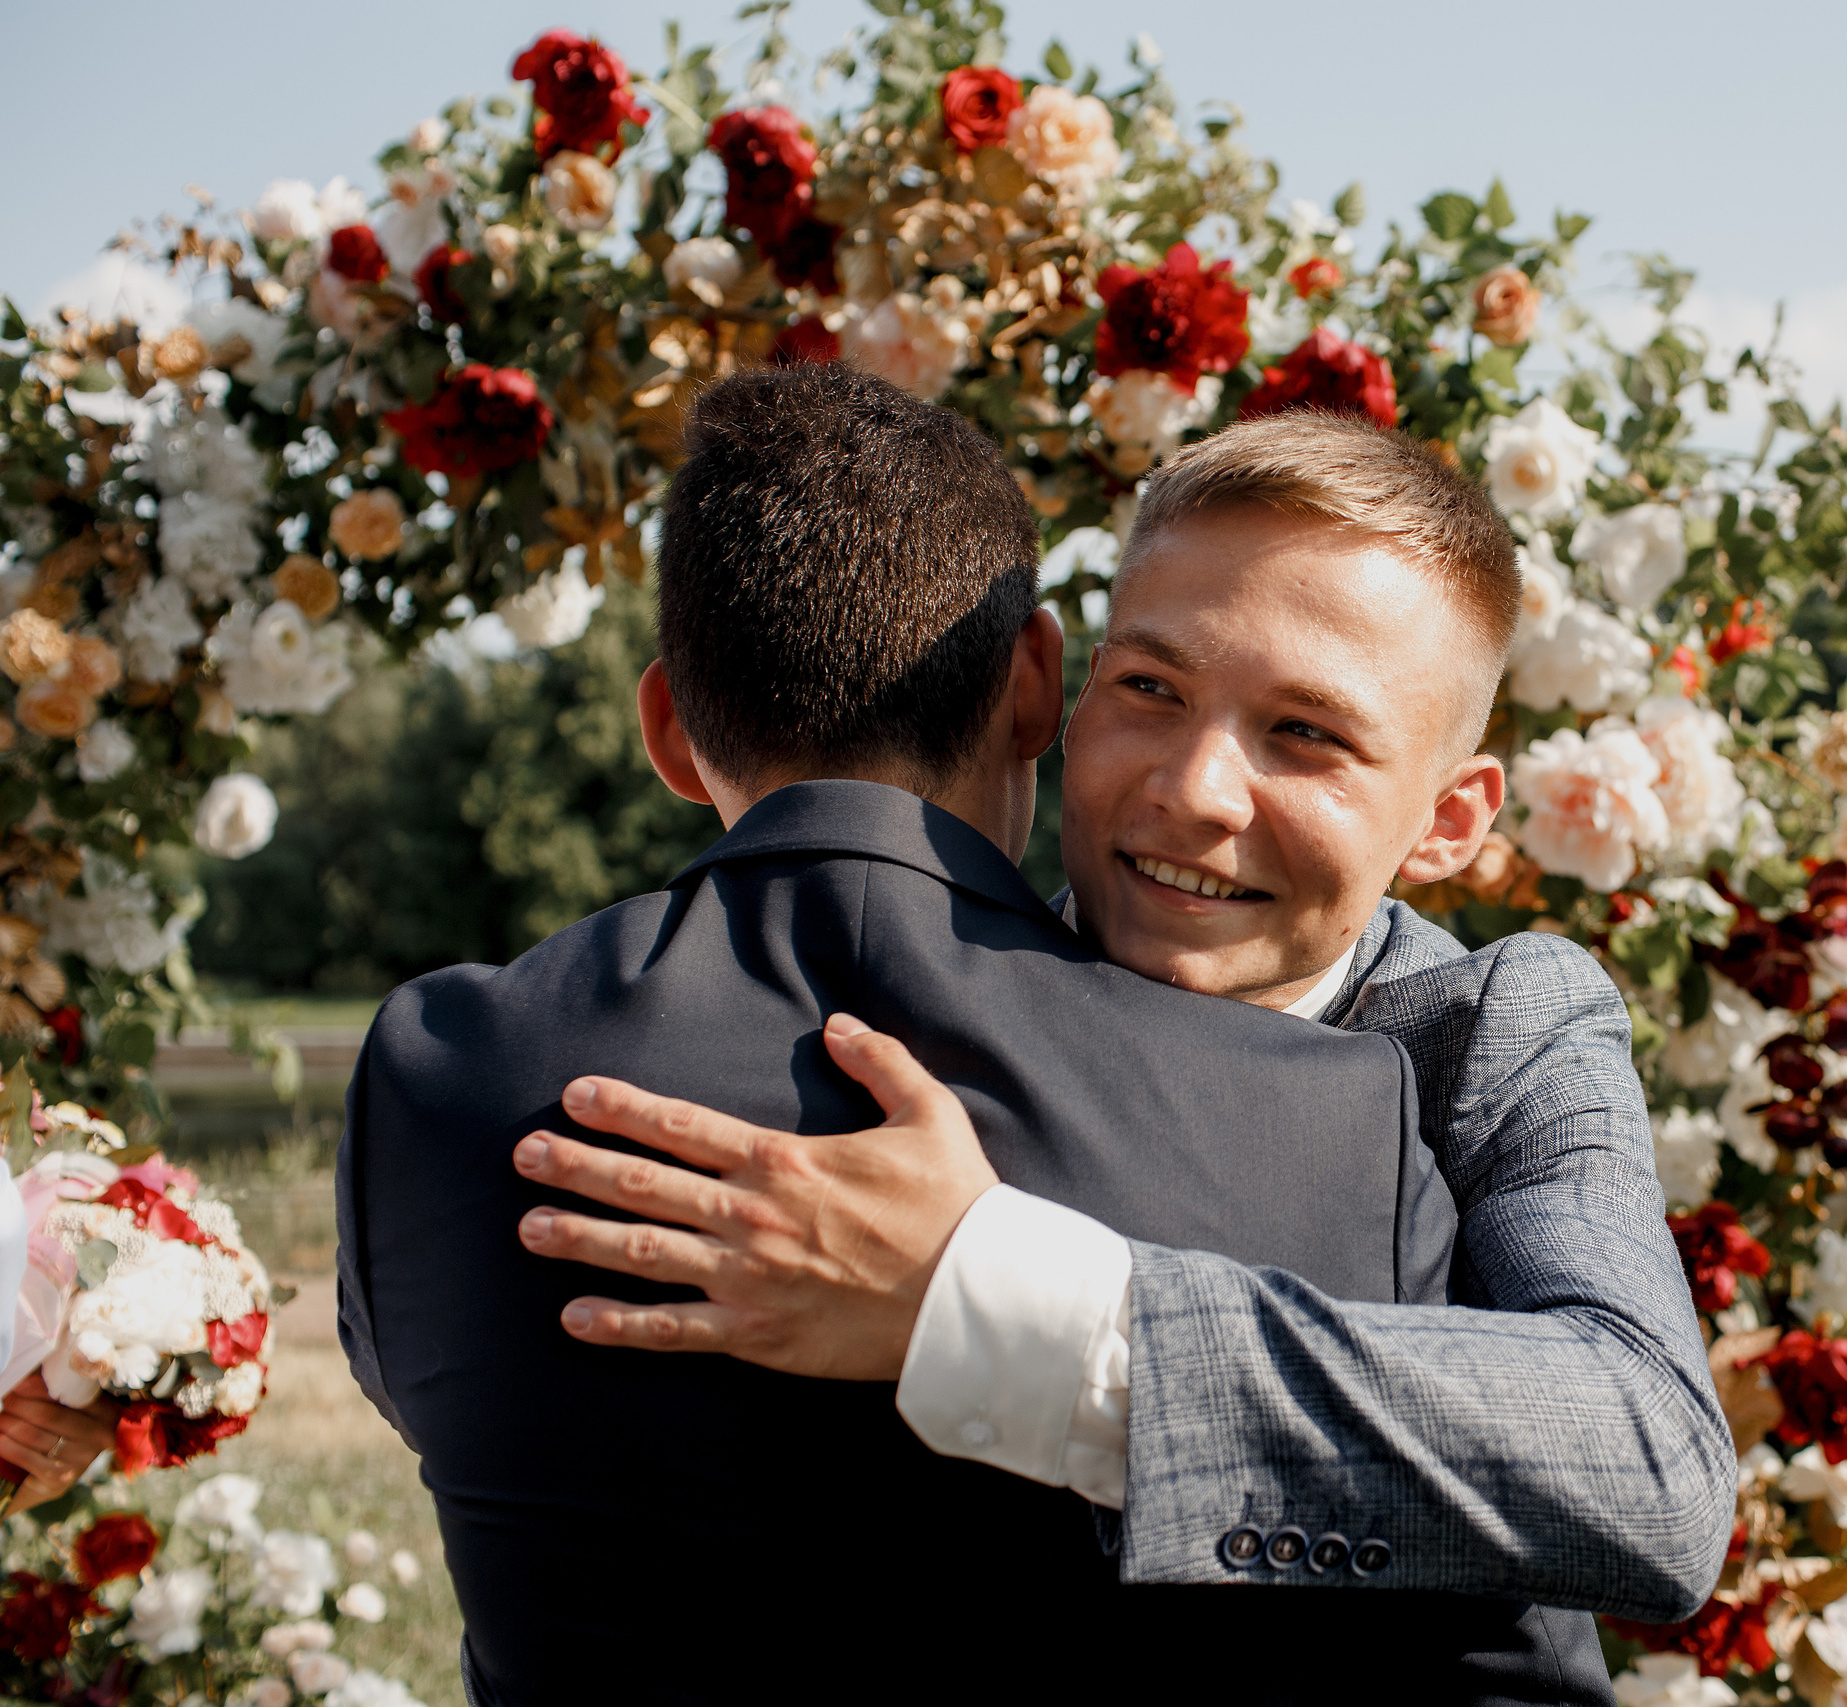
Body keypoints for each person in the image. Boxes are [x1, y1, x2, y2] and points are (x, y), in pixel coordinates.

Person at [337, 367, 1719, 1706]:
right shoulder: (899, 1001)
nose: (1194, 791)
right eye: (1153, 689)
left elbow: (1653, 1469)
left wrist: (988, 1292)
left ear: (1452, 819)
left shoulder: (1491, 1028)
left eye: (1305, 734)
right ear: (1061, 688)